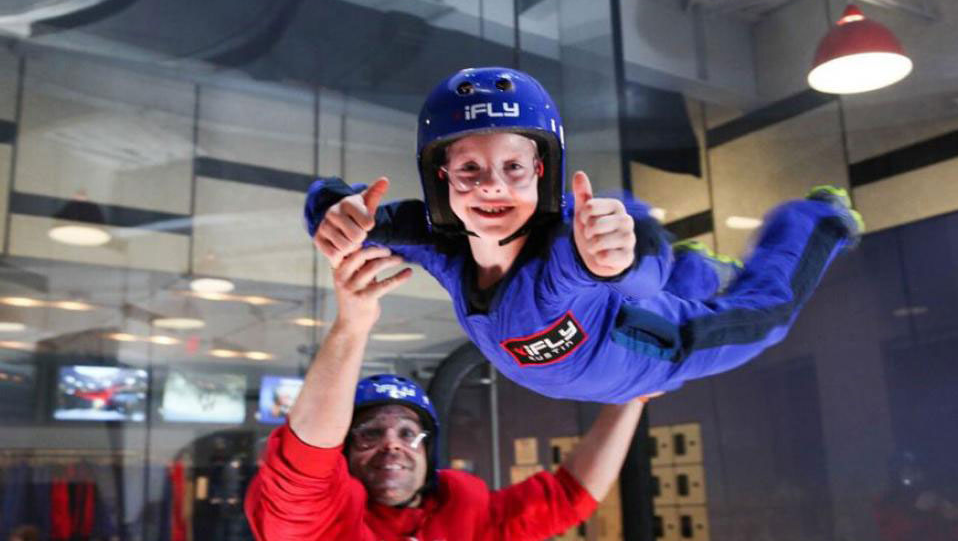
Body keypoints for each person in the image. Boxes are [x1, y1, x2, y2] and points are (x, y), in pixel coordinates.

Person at [305, 67, 863, 403]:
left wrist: (616, 258)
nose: (491, 187)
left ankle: (816, 220)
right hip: (605, 364)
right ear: (442, 177)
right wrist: (333, 210)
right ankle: (698, 267)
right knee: (676, 278)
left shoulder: (568, 252)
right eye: (470, 169)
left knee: (766, 317)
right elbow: (352, 217)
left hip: (656, 350)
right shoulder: (441, 241)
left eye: (514, 168)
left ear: (542, 170)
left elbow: (639, 262)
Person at [244, 246, 656, 541]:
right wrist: (351, 326)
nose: (392, 445)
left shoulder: (466, 514)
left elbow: (569, 497)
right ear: (343, 453)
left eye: (408, 433)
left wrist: (633, 395)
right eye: (369, 433)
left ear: (429, 451)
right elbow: (303, 466)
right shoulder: (317, 524)